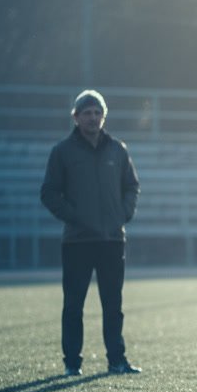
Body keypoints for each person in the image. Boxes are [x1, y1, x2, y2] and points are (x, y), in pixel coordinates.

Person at [41, 89, 142, 376]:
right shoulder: (62, 152)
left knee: (114, 306)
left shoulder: (117, 150)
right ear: (75, 117)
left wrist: (123, 214)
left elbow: (131, 186)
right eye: (87, 112)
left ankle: (117, 361)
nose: (93, 117)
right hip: (77, 241)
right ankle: (72, 364)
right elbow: (49, 193)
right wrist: (75, 218)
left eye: (97, 112)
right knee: (73, 306)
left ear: (104, 116)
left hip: (112, 239)